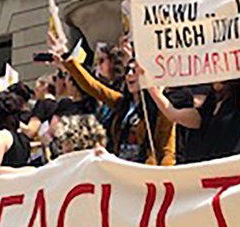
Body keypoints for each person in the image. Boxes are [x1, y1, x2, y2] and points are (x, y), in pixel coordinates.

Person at [146, 21, 240, 162]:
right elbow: (173, 114)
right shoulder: (208, 108)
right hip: (210, 178)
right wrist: (149, 83)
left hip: (236, 178)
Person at [53, 34, 175, 165]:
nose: (129, 75)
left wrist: (163, 178)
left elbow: (167, 150)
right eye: (127, 70)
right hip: (121, 169)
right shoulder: (122, 103)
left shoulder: (161, 108)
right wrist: (70, 63)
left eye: (134, 71)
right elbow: (93, 87)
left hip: (145, 172)